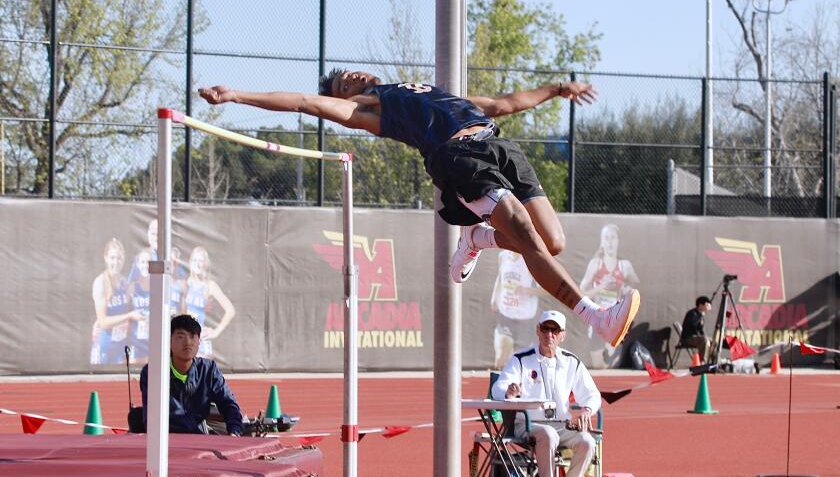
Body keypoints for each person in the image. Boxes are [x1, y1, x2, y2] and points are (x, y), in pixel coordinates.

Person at [199, 71, 639, 347]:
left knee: (551, 243)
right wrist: (238, 95)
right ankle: (596, 317)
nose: (351, 79)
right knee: (525, 235)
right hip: (459, 159)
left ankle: (477, 237)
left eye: (350, 76)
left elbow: (504, 105)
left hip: (498, 144)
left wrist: (559, 88)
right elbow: (305, 103)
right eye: (344, 86)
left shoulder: (427, 91)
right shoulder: (374, 111)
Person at [492, 310, 600, 477]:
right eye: (545, 328)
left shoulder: (571, 362)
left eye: (554, 330)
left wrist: (587, 409)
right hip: (528, 424)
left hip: (562, 425)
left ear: (562, 335)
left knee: (587, 441)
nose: (549, 334)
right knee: (548, 435)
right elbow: (497, 388)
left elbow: (593, 394)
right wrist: (508, 390)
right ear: (537, 330)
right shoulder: (521, 359)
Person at [140, 314, 244, 436]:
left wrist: (235, 430)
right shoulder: (153, 371)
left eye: (193, 336)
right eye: (180, 336)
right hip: (163, 440)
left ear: (199, 342)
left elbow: (228, 403)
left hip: (198, 440)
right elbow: (171, 415)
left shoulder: (209, 370)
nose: (188, 342)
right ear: (168, 341)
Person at [579, 224, 640, 367]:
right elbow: (581, 292)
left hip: (615, 320)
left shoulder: (625, 266)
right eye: (606, 238)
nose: (610, 242)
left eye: (613, 238)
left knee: (611, 364)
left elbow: (638, 287)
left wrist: (627, 290)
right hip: (597, 319)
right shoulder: (595, 264)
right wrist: (601, 287)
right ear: (602, 242)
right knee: (599, 366)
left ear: (618, 241)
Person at [91, 238, 144, 365]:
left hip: (121, 346)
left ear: (124, 259)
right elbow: (103, 322)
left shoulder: (125, 282)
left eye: (119, 258)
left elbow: (131, 308)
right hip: (105, 346)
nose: (116, 262)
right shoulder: (100, 283)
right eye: (112, 258)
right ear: (106, 258)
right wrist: (129, 316)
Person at [491, 250, 541, 368]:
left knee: (521, 364)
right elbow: (500, 276)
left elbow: (545, 289)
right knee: (500, 360)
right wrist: (494, 296)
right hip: (506, 314)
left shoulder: (530, 260)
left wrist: (526, 290)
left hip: (526, 319)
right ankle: (501, 382)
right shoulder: (503, 256)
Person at [184, 246, 236, 358]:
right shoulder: (186, 283)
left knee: (202, 374)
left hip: (201, 340)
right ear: (190, 262)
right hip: (185, 338)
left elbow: (230, 310)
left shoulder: (209, 285)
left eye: (201, 261)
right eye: (195, 260)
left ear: (205, 264)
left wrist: (216, 332)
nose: (198, 264)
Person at [681, 296, 713, 362]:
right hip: (688, 338)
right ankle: (702, 362)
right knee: (704, 340)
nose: (708, 307)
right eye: (706, 305)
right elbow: (693, 324)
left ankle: (713, 363)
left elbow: (700, 330)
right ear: (700, 305)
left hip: (697, 337)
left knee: (713, 342)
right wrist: (702, 314)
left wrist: (705, 337)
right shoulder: (692, 313)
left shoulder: (700, 315)